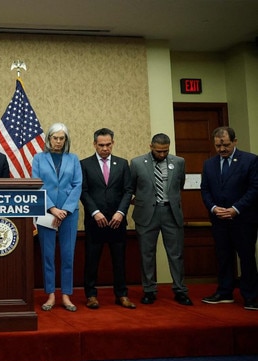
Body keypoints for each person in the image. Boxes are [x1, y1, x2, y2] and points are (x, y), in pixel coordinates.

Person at [130, 133, 192, 306]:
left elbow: (179, 185)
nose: (162, 154)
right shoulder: (136, 163)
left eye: (165, 151)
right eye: (158, 151)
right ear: (151, 147)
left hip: (170, 212)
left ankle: (180, 290)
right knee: (146, 254)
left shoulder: (178, 162)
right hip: (147, 214)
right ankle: (149, 290)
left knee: (176, 254)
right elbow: (132, 187)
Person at [200, 127, 258, 310]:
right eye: (218, 146)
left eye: (225, 144)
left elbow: (254, 189)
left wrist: (235, 209)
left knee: (246, 257)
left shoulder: (250, 160)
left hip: (243, 220)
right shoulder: (209, 164)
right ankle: (225, 292)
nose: (222, 149)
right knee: (223, 257)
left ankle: (251, 296)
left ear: (234, 141)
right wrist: (213, 207)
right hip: (219, 220)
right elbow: (205, 190)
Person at [80, 128, 135, 310]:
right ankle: (91, 295)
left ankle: (122, 294)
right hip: (95, 222)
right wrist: (95, 212)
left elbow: (128, 190)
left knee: (119, 261)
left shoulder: (122, 164)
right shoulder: (85, 164)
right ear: (94, 144)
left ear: (113, 143)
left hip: (117, 221)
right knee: (91, 261)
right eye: (101, 145)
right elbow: (83, 191)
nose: (105, 148)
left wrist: (121, 212)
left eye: (108, 145)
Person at [32, 123, 82, 312]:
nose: (58, 142)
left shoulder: (73, 159)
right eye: (55, 138)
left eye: (62, 138)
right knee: (48, 255)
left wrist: (66, 210)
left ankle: (66, 295)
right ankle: (51, 294)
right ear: (49, 139)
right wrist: (52, 208)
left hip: (69, 214)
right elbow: (37, 184)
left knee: (68, 255)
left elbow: (77, 185)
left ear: (66, 140)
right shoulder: (39, 158)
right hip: (46, 212)